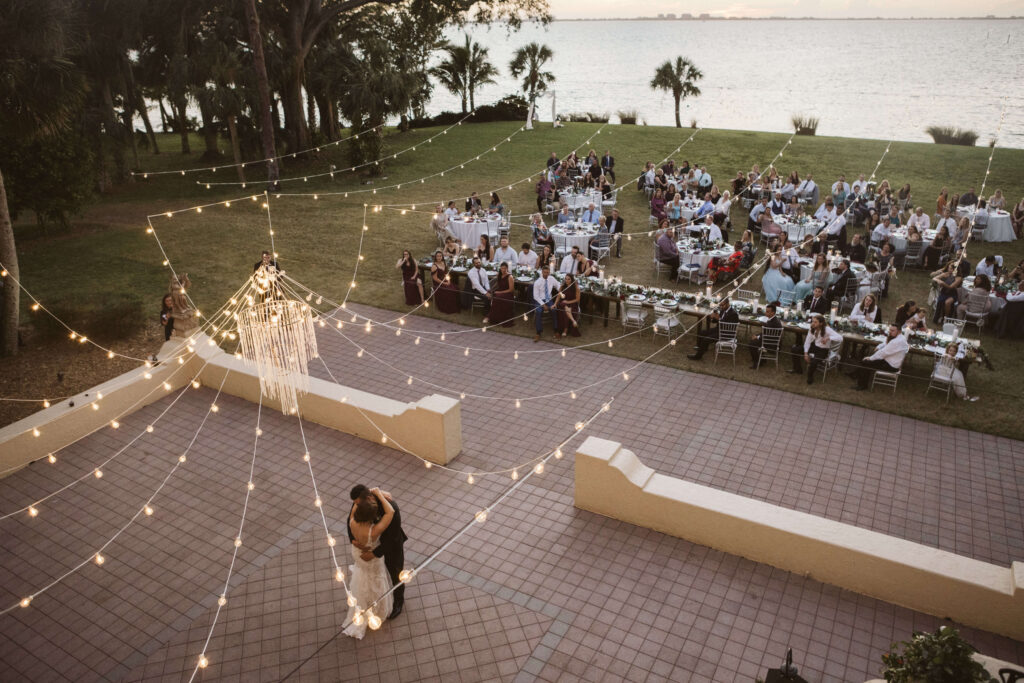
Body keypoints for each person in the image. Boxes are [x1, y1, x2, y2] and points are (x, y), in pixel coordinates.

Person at [345, 485, 407, 626]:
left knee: (395, 572)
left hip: (390, 547)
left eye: (357, 503)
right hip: (369, 544)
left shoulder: (391, 507)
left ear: (368, 498)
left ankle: (398, 601)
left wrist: (374, 553)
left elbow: (392, 537)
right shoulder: (359, 503)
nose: (355, 506)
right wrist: (353, 539)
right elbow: (349, 520)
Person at [853, 324, 909, 390]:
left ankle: (862, 385)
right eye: (890, 330)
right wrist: (878, 347)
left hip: (891, 366)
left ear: (899, 331)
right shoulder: (901, 337)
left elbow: (883, 353)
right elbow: (886, 343)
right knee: (866, 361)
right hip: (890, 361)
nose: (890, 332)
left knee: (866, 363)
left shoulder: (897, 341)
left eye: (892, 330)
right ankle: (856, 375)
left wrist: (871, 358)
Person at [789, 314, 842, 384]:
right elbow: (807, 342)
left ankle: (810, 376)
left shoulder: (827, 329)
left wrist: (828, 338)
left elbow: (840, 338)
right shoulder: (812, 328)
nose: (813, 323)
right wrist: (805, 354)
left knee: (814, 362)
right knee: (795, 349)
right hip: (815, 346)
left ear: (821, 323)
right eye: (812, 321)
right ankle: (797, 369)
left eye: (815, 322)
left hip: (823, 350)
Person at [748, 302, 782, 369]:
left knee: (751, 344)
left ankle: (757, 362)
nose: (766, 313)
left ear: (773, 313)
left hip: (771, 344)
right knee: (755, 338)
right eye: (766, 311)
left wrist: (757, 337)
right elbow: (765, 333)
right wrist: (757, 336)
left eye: (767, 312)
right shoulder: (773, 319)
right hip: (770, 340)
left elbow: (767, 335)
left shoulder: (773, 323)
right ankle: (762, 359)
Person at [532, 265, 560, 341]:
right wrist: (543, 305)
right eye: (545, 272)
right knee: (538, 311)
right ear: (542, 272)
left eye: (547, 272)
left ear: (549, 272)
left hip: (549, 300)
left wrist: (560, 290)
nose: (546, 274)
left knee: (554, 310)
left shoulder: (551, 279)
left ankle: (556, 330)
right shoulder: (537, 282)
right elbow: (535, 296)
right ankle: (538, 332)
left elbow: (558, 285)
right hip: (539, 300)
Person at [489, 262, 516, 327]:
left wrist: (499, 292)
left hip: (508, 294)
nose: (503, 270)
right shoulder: (500, 275)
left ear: (507, 268)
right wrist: (492, 289)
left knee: (498, 297)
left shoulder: (510, 277)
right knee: (496, 296)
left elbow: (511, 290)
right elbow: (498, 284)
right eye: (502, 268)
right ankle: (495, 319)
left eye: (504, 268)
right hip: (500, 292)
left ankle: (503, 319)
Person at [555, 272, 581, 338]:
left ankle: (565, 329)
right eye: (566, 279)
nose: (567, 280)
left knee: (565, 309)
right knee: (564, 306)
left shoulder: (576, 288)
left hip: (572, 303)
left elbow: (577, 300)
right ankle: (573, 321)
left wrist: (568, 302)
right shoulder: (562, 286)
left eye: (568, 279)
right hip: (563, 303)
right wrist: (555, 304)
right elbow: (558, 296)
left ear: (572, 280)